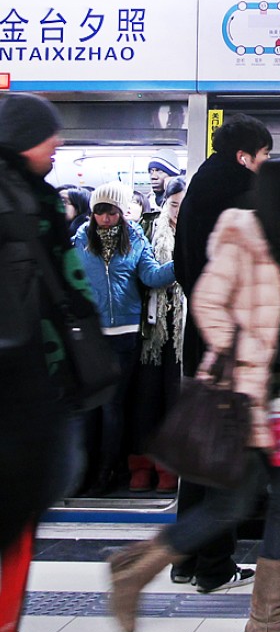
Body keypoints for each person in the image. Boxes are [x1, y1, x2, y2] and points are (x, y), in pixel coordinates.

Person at [107, 160, 280, 632]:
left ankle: (141, 570)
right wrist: (254, 351)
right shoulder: (242, 236)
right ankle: (144, 573)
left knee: (262, 500)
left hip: (279, 398)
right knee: (241, 502)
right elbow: (207, 302)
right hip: (245, 395)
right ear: (279, 192)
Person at [0, 92, 95, 632]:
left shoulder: (29, 194)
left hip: (35, 375)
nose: (56, 150)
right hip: (17, 380)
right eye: (49, 139)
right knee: (16, 508)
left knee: (23, 510)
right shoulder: (15, 200)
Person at [171, 113, 272, 592]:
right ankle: (215, 564)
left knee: (201, 449)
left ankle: (185, 558)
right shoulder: (238, 198)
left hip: (200, 331)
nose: (265, 166)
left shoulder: (196, 191)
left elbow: (181, 266)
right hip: (231, 337)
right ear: (243, 156)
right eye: (264, 157)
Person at [71, 182, 176, 497]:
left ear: (121, 213)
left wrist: (182, 261)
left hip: (125, 335)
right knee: (90, 408)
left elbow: (152, 276)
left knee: (112, 406)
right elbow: (68, 282)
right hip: (91, 336)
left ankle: (106, 471)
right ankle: (84, 473)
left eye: (111, 211)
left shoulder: (135, 240)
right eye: (100, 211)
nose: (105, 217)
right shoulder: (78, 242)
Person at [130, 176, 187, 493]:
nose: (178, 211)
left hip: (183, 326)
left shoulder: (198, 229)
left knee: (175, 399)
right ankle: (141, 466)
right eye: (174, 204)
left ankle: (169, 469)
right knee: (146, 400)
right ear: (165, 203)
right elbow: (147, 274)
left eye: (183, 204)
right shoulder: (151, 230)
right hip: (152, 326)